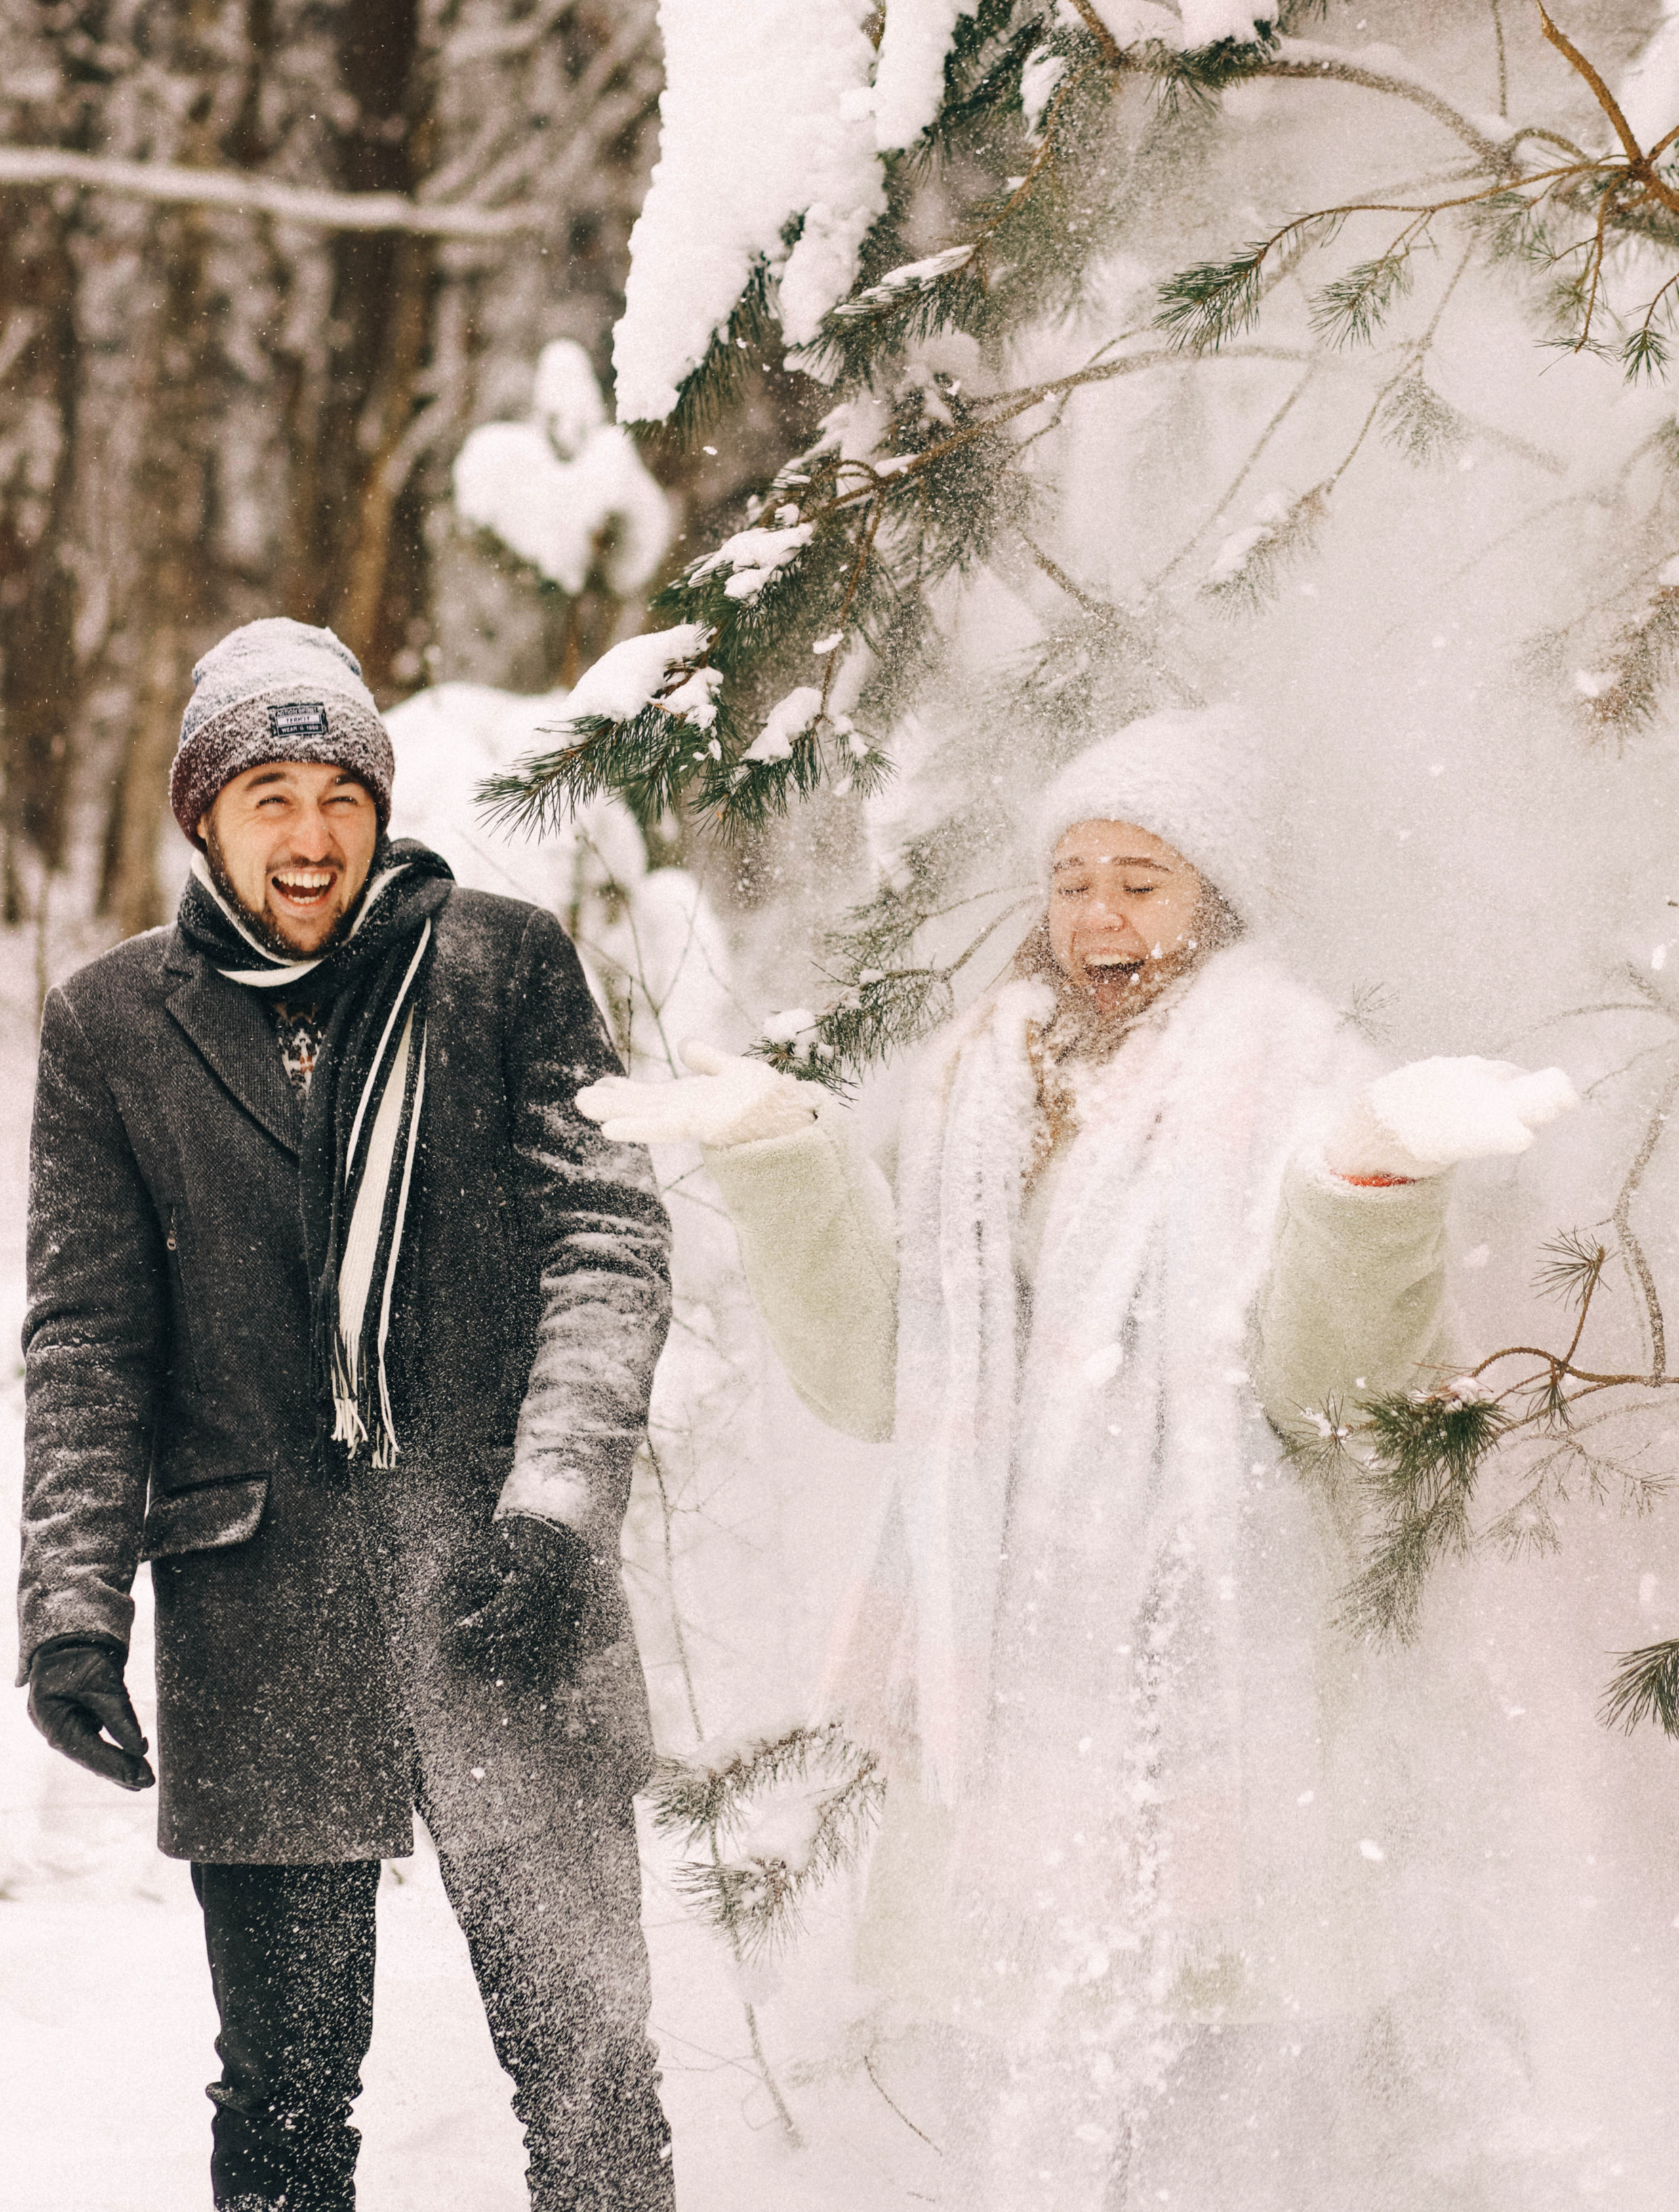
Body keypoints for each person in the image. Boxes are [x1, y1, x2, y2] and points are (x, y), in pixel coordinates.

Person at [579, 704, 1577, 2211]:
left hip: (1222, 1659)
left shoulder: (1297, 1073)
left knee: (1232, 2106)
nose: (1096, 914)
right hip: (1017, 1666)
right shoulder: (982, 1084)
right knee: (1035, 2094)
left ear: (1216, 895)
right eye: (1070, 880)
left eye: (1139, 879)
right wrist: (780, 1159)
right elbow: (880, 1382)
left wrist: (1368, 1182)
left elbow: (1329, 1390)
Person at [17, 619, 676, 2212]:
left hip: (504, 1599)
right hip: (262, 1624)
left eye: (341, 796)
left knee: (591, 2080)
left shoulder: (499, 968)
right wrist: (72, 1613)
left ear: (380, 807)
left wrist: (555, 1509)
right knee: (287, 2105)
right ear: (204, 818)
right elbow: (90, 1340)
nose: (311, 836)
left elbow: (606, 1237)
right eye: (270, 798)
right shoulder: (113, 1025)